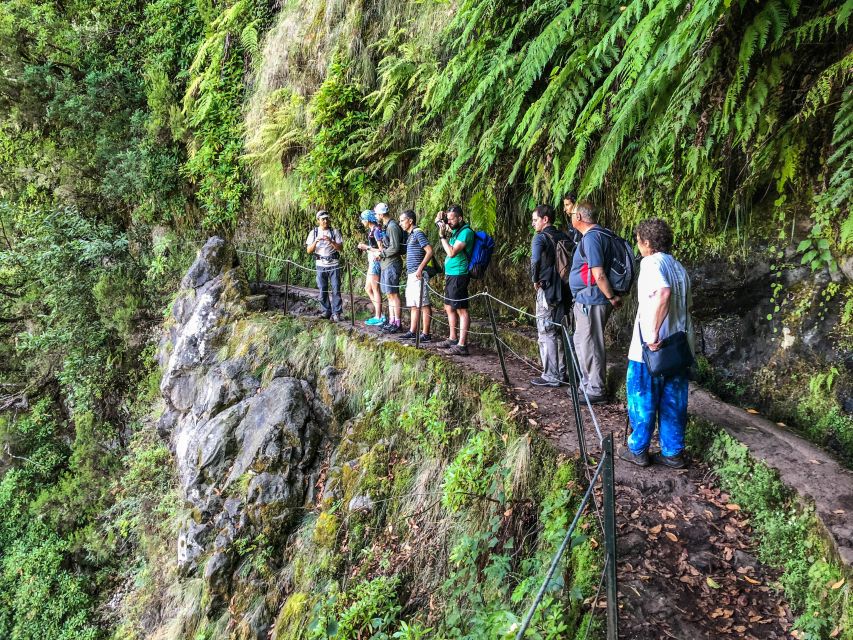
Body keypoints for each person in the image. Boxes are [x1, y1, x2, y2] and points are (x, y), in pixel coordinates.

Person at [618, 218, 694, 469]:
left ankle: (638, 449)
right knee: (674, 401)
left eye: (639, 240)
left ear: (647, 242)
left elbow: (663, 293)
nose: (638, 245)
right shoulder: (678, 267)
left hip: (653, 350)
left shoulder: (651, 263)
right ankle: (673, 453)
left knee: (642, 397)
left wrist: (651, 335)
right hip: (678, 348)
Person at [568, 200, 620, 403]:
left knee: (591, 343)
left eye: (572, 213)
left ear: (579, 217)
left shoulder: (592, 238)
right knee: (581, 341)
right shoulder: (600, 235)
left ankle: (597, 389)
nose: (570, 216)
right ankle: (586, 385)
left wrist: (611, 297)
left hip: (592, 299)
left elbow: (598, 274)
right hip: (586, 299)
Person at [529, 204, 573, 387]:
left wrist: (534, 279)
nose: (533, 224)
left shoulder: (540, 238)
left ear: (545, 219)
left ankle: (551, 375)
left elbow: (535, 260)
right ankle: (562, 372)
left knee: (546, 331)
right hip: (565, 289)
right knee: (559, 330)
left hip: (547, 290)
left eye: (535, 220)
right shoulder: (564, 235)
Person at [434, 204, 474, 356]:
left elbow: (451, 252)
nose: (449, 222)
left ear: (460, 218)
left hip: (459, 274)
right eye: (448, 219)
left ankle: (462, 345)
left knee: (461, 309)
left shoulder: (465, 233)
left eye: (452, 219)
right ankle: (452, 338)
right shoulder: (456, 230)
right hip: (451, 274)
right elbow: (444, 226)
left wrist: (442, 237)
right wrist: (440, 222)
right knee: (449, 307)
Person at [398, 210, 433, 342]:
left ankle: (426, 334)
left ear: (410, 221)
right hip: (411, 273)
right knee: (413, 304)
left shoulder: (418, 232)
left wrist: (420, 268)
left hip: (418, 274)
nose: (400, 223)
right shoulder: (410, 235)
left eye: (402, 220)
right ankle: (413, 331)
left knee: (423, 304)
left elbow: (429, 251)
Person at [305, 209, 344, 321]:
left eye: (327, 218)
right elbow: (309, 250)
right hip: (320, 264)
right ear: (318, 220)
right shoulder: (314, 233)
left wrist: (331, 241)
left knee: (336, 288)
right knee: (323, 289)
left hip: (334, 263)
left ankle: (336, 313)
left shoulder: (334, 232)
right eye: (323, 219)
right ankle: (326, 311)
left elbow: (340, 248)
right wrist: (316, 241)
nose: (326, 221)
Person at [373, 202, 404, 333]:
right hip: (386, 263)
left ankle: (397, 323)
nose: (376, 216)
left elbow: (395, 247)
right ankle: (392, 320)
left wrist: (382, 253)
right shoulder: (387, 226)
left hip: (392, 263)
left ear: (381, 214)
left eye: (376, 213)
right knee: (389, 294)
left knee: (394, 294)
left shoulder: (392, 226)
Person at [357, 209, 384, 326]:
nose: (362, 222)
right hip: (371, 261)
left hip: (375, 261)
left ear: (367, 220)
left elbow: (381, 250)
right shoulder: (373, 230)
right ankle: (380, 313)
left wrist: (366, 247)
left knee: (375, 289)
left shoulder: (377, 231)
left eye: (363, 219)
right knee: (368, 288)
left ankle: (379, 316)